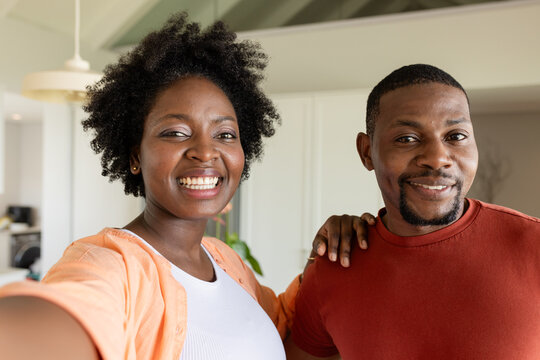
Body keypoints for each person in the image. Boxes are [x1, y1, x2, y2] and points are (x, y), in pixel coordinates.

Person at [0, 13, 372, 360]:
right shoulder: (109, 266)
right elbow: (62, 316)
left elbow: (289, 331)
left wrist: (320, 258)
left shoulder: (223, 261)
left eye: (225, 134)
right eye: (176, 132)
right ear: (135, 156)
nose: (206, 152)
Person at [286, 64, 540, 359]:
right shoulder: (334, 265)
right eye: (407, 138)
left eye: (456, 136)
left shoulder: (533, 246)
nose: (436, 159)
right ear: (367, 152)